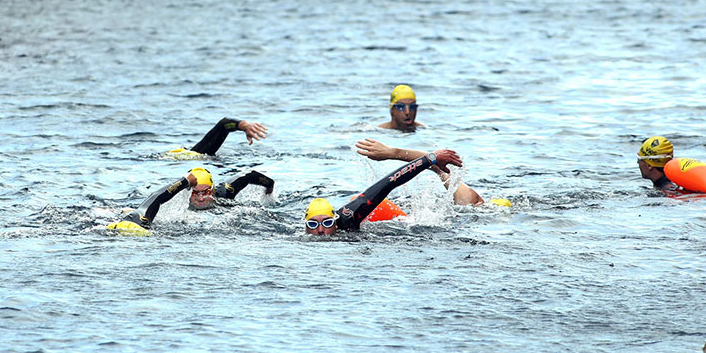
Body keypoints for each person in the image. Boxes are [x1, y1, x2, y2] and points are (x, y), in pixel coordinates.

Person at [303, 148, 462, 236]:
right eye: (312, 224)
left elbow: (389, 183)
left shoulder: (348, 218)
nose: (321, 231)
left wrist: (429, 159)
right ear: (305, 227)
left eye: (327, 223)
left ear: (335, 223)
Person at [109, 166, 275, 234]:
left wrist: (268, 192)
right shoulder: (181, 204)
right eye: (196, 193)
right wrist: (184, 182)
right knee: (128, 211)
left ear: (213, 190)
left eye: (206, 192)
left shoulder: (224, 193)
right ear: (188, 193)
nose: (201, 197)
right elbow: (156, 198)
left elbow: (250, 176)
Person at [355, 138, 488, 206]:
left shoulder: (472, 202)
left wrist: (393, 153)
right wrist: (392, 153)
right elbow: (439, 169)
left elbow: (439, 169)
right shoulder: (470, 201)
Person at [636, 135, 706, 195]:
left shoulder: (667, 190)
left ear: (649, 165)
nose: (637, 163)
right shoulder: (676, 183)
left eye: (639, 159)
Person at [168, 116, 268, 158]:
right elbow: (223, 125)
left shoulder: (196, 155)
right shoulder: (197, 156)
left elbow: (224, 125)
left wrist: (244, 125)